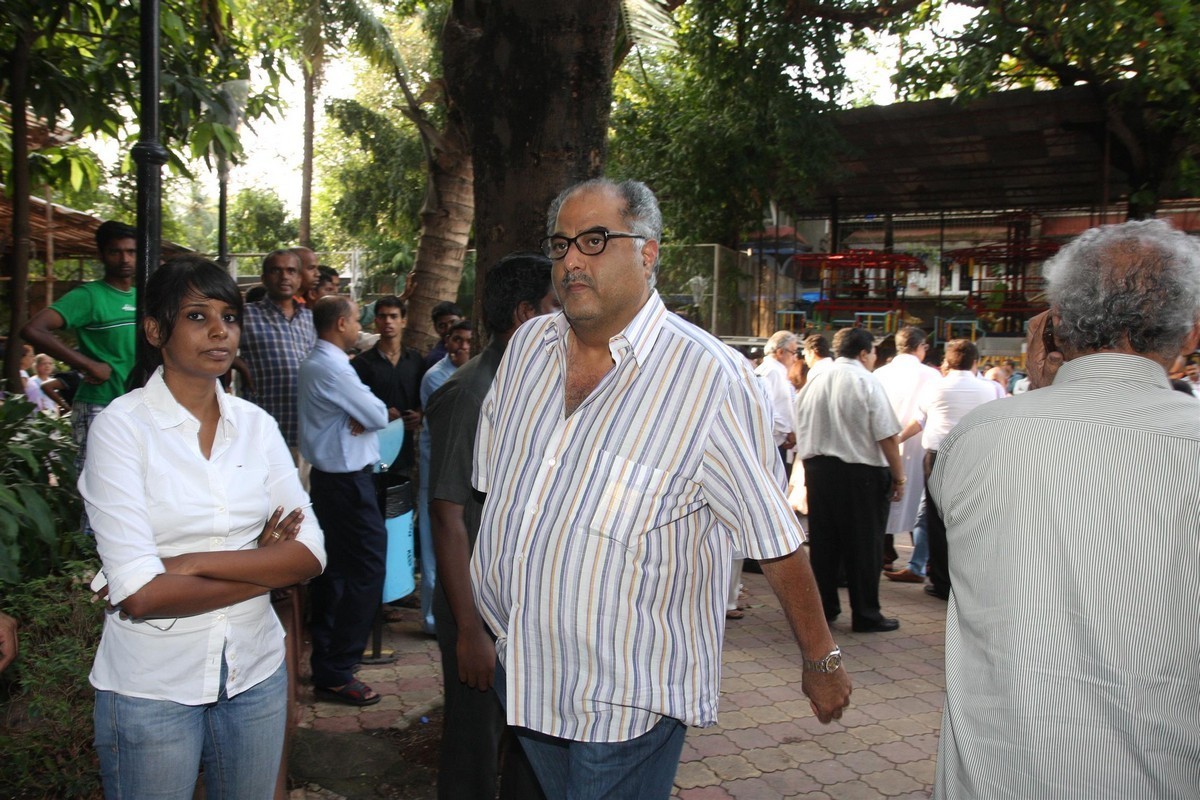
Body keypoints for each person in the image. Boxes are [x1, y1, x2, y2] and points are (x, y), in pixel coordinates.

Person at [471, 179, 850, 798]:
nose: (571, 260)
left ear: (647, 253)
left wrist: (821, 658)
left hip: (624, 699)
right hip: (527, 674)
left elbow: (773, 537)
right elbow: (497, 493)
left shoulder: (709, 379)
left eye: (595, 241)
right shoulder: (528, 353)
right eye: (561, 244)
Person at [930, 219, 1200, 799]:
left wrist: (1043, 387)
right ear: (1191, 335)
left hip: (997, 778)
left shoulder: (984, 436)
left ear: (1054, 327)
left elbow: (960, 521)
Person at [80, 255, 325, 799]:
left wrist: (188, 564)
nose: (220, 331)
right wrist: (264, 567)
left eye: (230, 316)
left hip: (255, 672)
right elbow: (141, 597)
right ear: (155, 329)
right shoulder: (122, 429)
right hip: (152, 686)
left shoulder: (256, 426)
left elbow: (309, 553)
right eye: (196, 316)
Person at [426, 252, 557, 800]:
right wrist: (471, 632)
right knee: (474, 756)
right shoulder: (470, 393)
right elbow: (448, 514)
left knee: (535, 749)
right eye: (556, 305)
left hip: (530, 608)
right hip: (480, 612)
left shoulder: (543, 382)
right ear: (526, 314)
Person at [299, 295, 390, 706]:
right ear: (340, 323)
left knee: (335, 574)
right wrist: (367, 411)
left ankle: (330, 665)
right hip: (348, 484)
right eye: (356, 321)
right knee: (367, 571)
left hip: (334, 482)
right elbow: (378, 415)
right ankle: (339, 666)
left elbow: (368, 413)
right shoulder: (334, 368)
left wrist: (364, 412)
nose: (360, 328)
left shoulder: (325, 364)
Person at [794, 327, 906, 632]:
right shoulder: (864, 380)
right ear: (863, 353)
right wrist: (899, 477)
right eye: (872, 353)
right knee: (865, 547)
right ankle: (866, 613)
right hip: (861, 474)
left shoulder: (814, 381)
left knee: (824, 545)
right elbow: (887, 434)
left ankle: (825, 608)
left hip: (819, 472)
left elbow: (798, 429)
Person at [21, 220, 138, 507]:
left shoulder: (144, 295)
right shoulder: (89, 296)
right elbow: (34, 329)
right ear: (101, 254)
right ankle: (89, 552)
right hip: (100, 403)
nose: (124, 259)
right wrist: (88, 364)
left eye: (131, 252)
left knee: (135, 490)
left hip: (138, 406)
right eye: (115, 252)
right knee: (101, 492)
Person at [895, 339, 998, 599]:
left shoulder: (935, 387)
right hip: (976, 457)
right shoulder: (990, 389)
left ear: (947, 362)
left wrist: (893, 441)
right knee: (973, 517)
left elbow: (918, 422)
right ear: (975, 362)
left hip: (938, 456)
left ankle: (942, 583)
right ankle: (970, 582)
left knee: (938, 519)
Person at [413, 319, 473, 635]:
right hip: (435, 471)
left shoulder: (475, 373)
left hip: (461, 473)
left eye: (467, 341)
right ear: (446, 342)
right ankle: (431, 620)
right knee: (433, 543)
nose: (461, 346)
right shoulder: (436, 378)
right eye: (456, 340)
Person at [236, 250, 317, 457]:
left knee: (302, 489)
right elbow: (211, 347)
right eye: (276, 271)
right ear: (264, 278)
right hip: (263, 432)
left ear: (299, 279)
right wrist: (237, 364)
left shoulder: (310, 319)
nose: (284, 277)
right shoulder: (246, 315)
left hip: (305, 432)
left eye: (291, 271)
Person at [874, 326, 939, 576]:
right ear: (920, 347)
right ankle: (922, 559)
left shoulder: (880, 373)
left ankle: (885, 555)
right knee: (920, 504)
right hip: (918, 443)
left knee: (886, 501)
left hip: (884, 443)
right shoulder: (932, 376)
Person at [755, 330, 799, 467]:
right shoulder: (771, 372)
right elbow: (768, 409)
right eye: (793, 352)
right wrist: (787, 431)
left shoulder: (777, 371)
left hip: (779, 441)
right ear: (780, 352)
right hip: (772, 442)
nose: (795, 358)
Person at [424, 301, 465, 368]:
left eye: (453, 322)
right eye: (442, 326)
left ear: (463, 320)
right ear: (435, 328)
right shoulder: (438, 359)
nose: (449, 329)